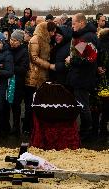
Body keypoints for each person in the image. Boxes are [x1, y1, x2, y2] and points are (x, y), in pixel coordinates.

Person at [65, 13, 98, 141]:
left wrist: (70, 60)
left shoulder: (86, 37)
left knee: (83, 106)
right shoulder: (85, 36)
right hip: (81, 76)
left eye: (74, 23)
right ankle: (85, 130)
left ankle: (85, 133)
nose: (72, 26)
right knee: (82, 104)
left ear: (81, 23)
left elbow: (87, 59)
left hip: (82, 78)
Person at [24, 21, 57, 134]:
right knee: (30, 104)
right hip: (34, 76)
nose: (53, 34)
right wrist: (49, 65)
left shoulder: (45, 39)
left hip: (42, 75)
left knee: (38, 103)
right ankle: (27, 128)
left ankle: (35, 127)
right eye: (52, 31)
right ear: (47, 31)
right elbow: (34, 58)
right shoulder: (36, 39)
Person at [8, 29, 29, 135]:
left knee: (16, 105)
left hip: (17, 82)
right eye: (11, 39)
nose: (12, 42)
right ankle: (7, 126)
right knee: (7, 105)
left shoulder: (24, 52)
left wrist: (10, 68)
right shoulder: (7, 49)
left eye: (15, 40)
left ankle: (16, 127)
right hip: (6, 81)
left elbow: (23, 69)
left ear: (20, 42)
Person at [97, 28, 109, 137]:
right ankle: (104, 127)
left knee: (100, 105)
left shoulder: (98, 45)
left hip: (100, 80)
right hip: (107, 79)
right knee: (106, 106)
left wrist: (98, 67)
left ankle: (100, 128)